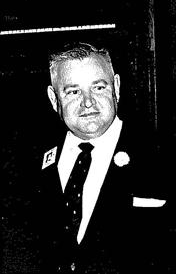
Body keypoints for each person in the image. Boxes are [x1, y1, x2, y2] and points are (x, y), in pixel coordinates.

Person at [28, 42, 167, 273]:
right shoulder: (28, 162)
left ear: (117, 87)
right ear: (54, 99)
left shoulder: (161, 157)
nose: (88, 102)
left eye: (99, 88)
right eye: (73, 91)